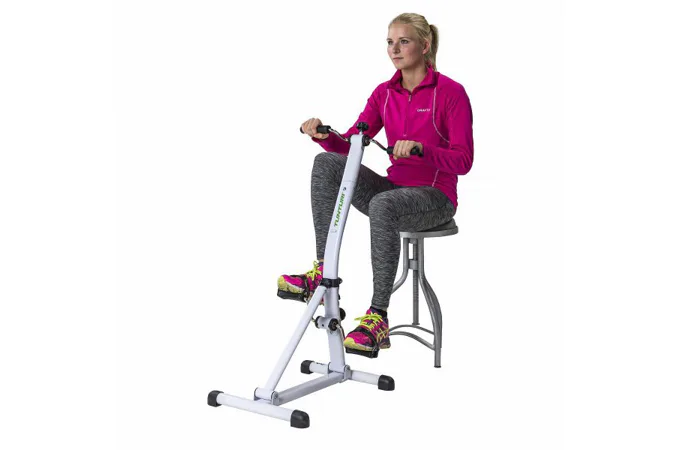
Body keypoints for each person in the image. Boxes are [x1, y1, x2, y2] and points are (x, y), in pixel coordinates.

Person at [277, 13, 474, 357]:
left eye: (403, 42)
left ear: (424, 45)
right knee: (326, 163)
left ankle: (378, 317)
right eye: (390, 42)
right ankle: (322, 273)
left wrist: (422, 149)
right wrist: (323, 136)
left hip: (436, 197)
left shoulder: (451, 93)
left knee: (384, 204)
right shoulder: (384, 93)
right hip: (394, 190)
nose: (394, 49)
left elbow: (464, 161)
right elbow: (351, 145)